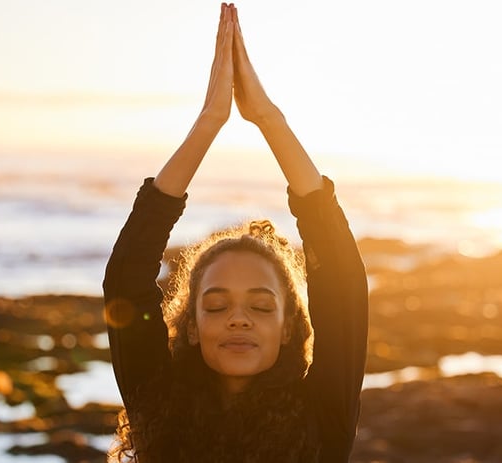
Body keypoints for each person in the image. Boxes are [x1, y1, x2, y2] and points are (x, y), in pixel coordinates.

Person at [103, 3, 368, 462]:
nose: (238, 318)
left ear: (288, 328)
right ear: (190, 328)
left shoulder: (321, 416)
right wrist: (209, 122)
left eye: (261, 306)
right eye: (217, 304)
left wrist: (268, 117)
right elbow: (126, 280)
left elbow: (343, 285)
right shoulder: (158, 407)